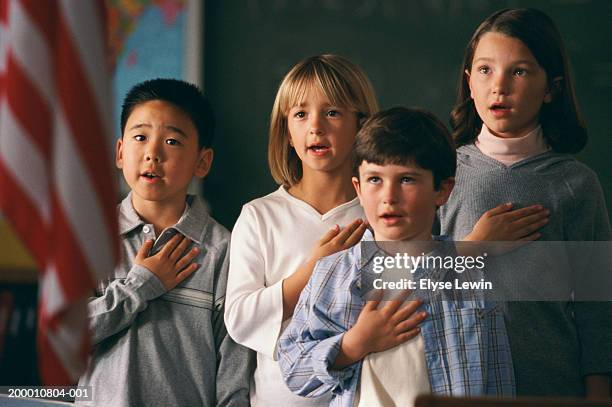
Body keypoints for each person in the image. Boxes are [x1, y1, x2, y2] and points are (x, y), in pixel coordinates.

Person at [277, 107, 515, 407]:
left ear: (442, 190)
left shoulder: (472, 274)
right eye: (375, 180)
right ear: (358, 189)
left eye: (407, 180)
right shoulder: (334, 272)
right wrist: (352, 345)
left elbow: (498, 376)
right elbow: (293, 368)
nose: (389, 196)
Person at [440, 8, 612, 398]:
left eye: (518, 71)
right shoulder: (438, 172)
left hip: (553, 386)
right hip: (458, 386)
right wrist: (474, 248)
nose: (498, 86)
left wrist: (600, 392)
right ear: (468, 82)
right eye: (484, 70)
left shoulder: (576, 184)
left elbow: (597, 304)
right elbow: (405, 276)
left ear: (551, 88)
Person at [78, 78, 253, 406]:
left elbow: (234, 369)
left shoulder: (224, 249)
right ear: (119, 151)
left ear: (203, 161)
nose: (152, 154)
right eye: (140, 137)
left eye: (172, 142)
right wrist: (140, 286)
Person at [224, 54, 376, 406]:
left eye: (333, 112)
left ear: (361, 124)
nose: (316, 127)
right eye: (301, 114)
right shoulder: (260, 216)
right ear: (287, 133)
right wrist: (312, 270)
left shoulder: (382, 212)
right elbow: (240, 316)